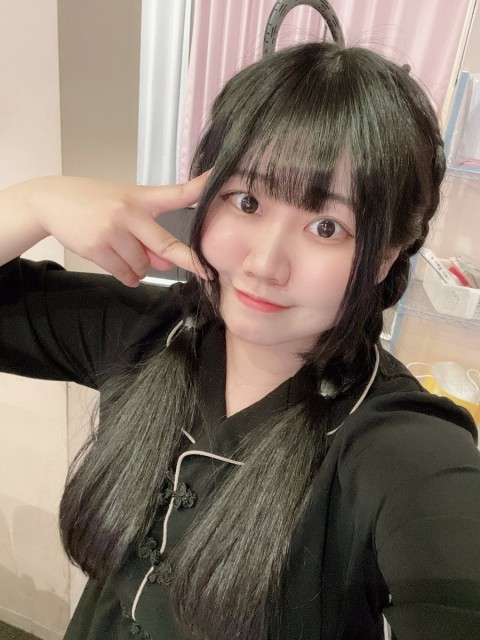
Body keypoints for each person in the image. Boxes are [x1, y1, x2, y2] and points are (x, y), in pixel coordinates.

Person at [1, 41, 480, 640]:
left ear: (385, 257)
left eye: (326, 226)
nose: (263, 264)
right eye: (247, 201)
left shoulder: (397, 445)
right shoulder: (149, 333)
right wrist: (33, 201)